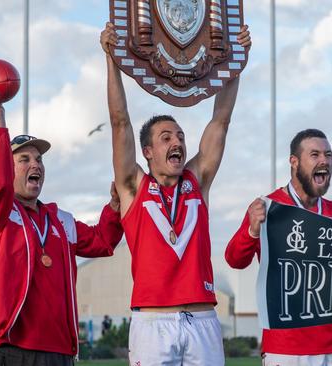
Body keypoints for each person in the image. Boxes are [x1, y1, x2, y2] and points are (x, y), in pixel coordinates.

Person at [100, 21, 251, 365]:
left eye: (180, 136)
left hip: (202, 320)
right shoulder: (133, 186)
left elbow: (220, 121)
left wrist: (237, 59)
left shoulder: (197, 180)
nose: (178, 141)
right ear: (148, 152)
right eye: (166, 137)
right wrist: (111, 59)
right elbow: (119, 121)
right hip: (153, 323)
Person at [0, 83, 125, 366]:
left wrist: (114, 207)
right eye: (24, 159)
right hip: (8, 345)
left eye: (39, 159)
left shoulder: (61, 220)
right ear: (7, 167)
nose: (36, 165)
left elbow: (103, 240)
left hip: (57, 349)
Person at [225, 129, 332, 365]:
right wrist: (252, 231)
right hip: (287, 346)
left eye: (328, 154)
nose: (324, 160)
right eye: (315, 154)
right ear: (294, 161)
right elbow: (234, 259)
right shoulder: (266, 208)